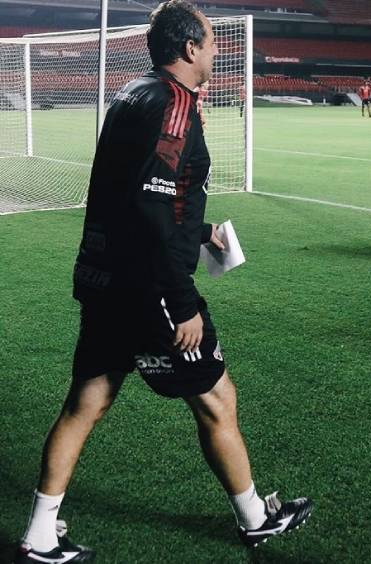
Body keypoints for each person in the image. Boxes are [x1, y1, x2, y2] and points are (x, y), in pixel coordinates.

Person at [13, 2, 312, 562]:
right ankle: (255, 519)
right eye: (211, 41)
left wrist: (198, 230)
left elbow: (139, 196)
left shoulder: (133, 93)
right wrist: (183, 302)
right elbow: (151, 211)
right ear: (190, 48)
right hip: (149, 286)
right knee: (218, 398)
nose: (219, 50)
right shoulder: (175, 106)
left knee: (87, 401)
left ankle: (38, 533)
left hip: (104, 275)